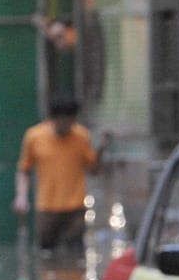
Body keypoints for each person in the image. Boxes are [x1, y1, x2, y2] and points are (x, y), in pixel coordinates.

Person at [13, 97, 109, 254]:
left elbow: (94, 170)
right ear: (52, 119)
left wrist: (101, 149)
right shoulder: (34, 136)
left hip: (76, 208)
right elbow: (24, 170)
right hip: (47, 208)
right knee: (46, 253)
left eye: (69, 121)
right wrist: (21, 197)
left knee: (76, 253)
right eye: (61, 121)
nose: (65, 126)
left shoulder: (81, 136)